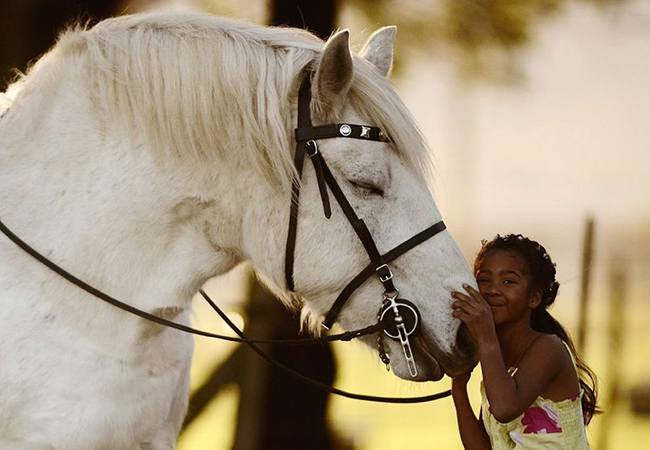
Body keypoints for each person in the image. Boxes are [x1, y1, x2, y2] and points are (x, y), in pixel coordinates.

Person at [450, 234, 599, 449]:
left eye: (508, 281)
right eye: (483, 280)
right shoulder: (498, 363)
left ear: (534, 298)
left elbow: (504, 409)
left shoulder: (548, 349)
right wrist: (459, 390)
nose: (492, 290)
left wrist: (485, 337)